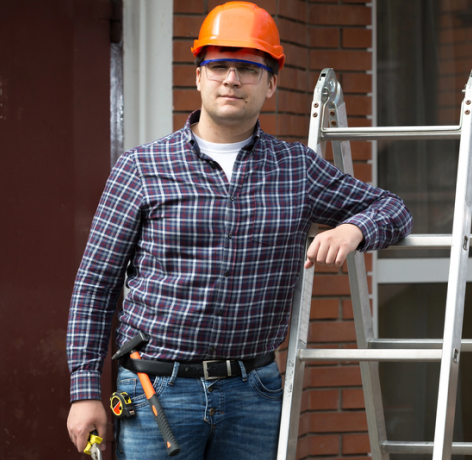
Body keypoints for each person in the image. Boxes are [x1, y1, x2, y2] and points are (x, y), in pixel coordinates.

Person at [65, 2, 412, 459]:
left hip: (255, 392)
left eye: (248, 69)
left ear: (270, 83)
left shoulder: (296, 169)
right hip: (158, 393)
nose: (232, 79)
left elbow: (394, 209)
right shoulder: (142, 168)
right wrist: (85, 391)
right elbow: (95, 284)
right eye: (219, 66)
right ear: (199, 77)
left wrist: (354, 230)